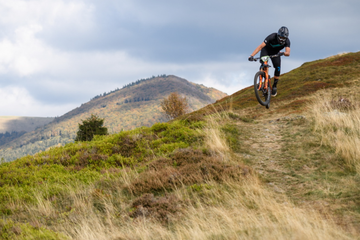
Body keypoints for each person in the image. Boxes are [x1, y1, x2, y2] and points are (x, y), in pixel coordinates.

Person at [248, 26, 290, 96]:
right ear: (278, 35)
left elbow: (288, 53)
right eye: (281, 37)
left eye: (284, 38)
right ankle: (261, 81)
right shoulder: (272, 36)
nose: (282, 39)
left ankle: (274, 86)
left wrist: (283, 53)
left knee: (278, 68)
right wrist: (252, 55)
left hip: (276, 53)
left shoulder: (287, 41)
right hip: (266, 50)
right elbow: (261, 46)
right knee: (264, 64)